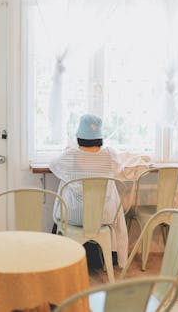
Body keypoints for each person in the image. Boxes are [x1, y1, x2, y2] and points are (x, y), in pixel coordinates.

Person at [50, 113, 129, 268]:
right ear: (99, 137)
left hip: (73, 217)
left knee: (64, 195)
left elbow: (53, 166)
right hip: (102, 217)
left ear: (79, 136)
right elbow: (119, 168)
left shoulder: (70, 156)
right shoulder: (110, 155)